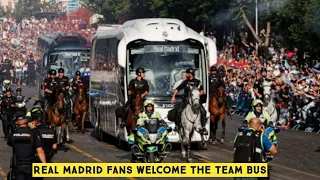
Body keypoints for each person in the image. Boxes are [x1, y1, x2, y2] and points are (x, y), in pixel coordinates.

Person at [7, 113, 46, 180]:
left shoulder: (13, 134)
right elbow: (39, 150)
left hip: (18, 166)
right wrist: (44, 166)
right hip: (30, 166)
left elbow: (10, 143)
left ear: (17, 122)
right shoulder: (33, 133)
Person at [171, 68, 208, 135]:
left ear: (190, 74)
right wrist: (173, 96)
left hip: (195, 101)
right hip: (186, 100)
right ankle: (177, 126)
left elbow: (202, 91)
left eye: (187, 73)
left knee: (203, 111)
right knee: (178, 111)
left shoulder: (198, 82)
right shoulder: (185, 82)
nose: (186, 74)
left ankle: (203, 127)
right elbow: (177, 89)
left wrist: (197, 94)